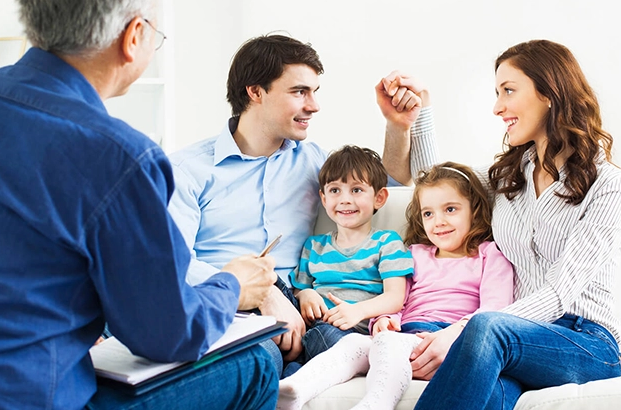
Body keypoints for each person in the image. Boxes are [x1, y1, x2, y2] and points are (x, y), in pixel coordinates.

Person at [0, 0, 279, 410]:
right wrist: (232, 286)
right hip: (48, 399)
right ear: (134, 36)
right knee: (257, 363)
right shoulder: (120, 155)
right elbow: (168, 335)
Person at [168, 35, 439, 369]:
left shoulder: (311, 162)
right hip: (218, 305)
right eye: (299, 92)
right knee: (254, 360)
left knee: (272, 359)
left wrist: (397, 126)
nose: (313, 105)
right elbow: (172, 263)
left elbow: (385, 187)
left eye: (314, 92)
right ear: (256, 92)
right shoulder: (186, 170)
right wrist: (259, 291)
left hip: (294, 310)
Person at [410, 40, 621, 409]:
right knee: (493, 396)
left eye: (508, 91)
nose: (497, 107)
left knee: (484, 327)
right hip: (516, 340)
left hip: (588, 342)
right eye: (497, 93)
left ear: (549, 93)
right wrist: (419, 112)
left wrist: (460, 331)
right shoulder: (509, 178)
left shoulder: (608, 185)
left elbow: (559, 293)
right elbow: (433, 185)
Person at [278, 162, 514, 410]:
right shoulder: (416, 253)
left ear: (474, 210)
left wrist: (451, 335)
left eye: (451, 209)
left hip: (449, 338)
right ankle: (296, 389)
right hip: (405, 334)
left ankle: (377, 404)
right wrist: (385, 319)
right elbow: (399, 299)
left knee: (388, 344)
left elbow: (493, 312)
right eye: (428, 213)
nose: (439, 221)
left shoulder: (490, 255)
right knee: (353, 344)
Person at [289, 145, 414, 362]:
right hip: (316, 324)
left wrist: (357, 311)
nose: (345, 199)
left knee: (323, 336)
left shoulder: (387, 242)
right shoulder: (314, 246)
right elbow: (299, 290)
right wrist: (305, 294)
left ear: (379, 198)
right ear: (324, 198)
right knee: (275, 289)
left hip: (353, 331)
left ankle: (312, 363)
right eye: (335, 190)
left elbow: (395, 297)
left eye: (356, 190)